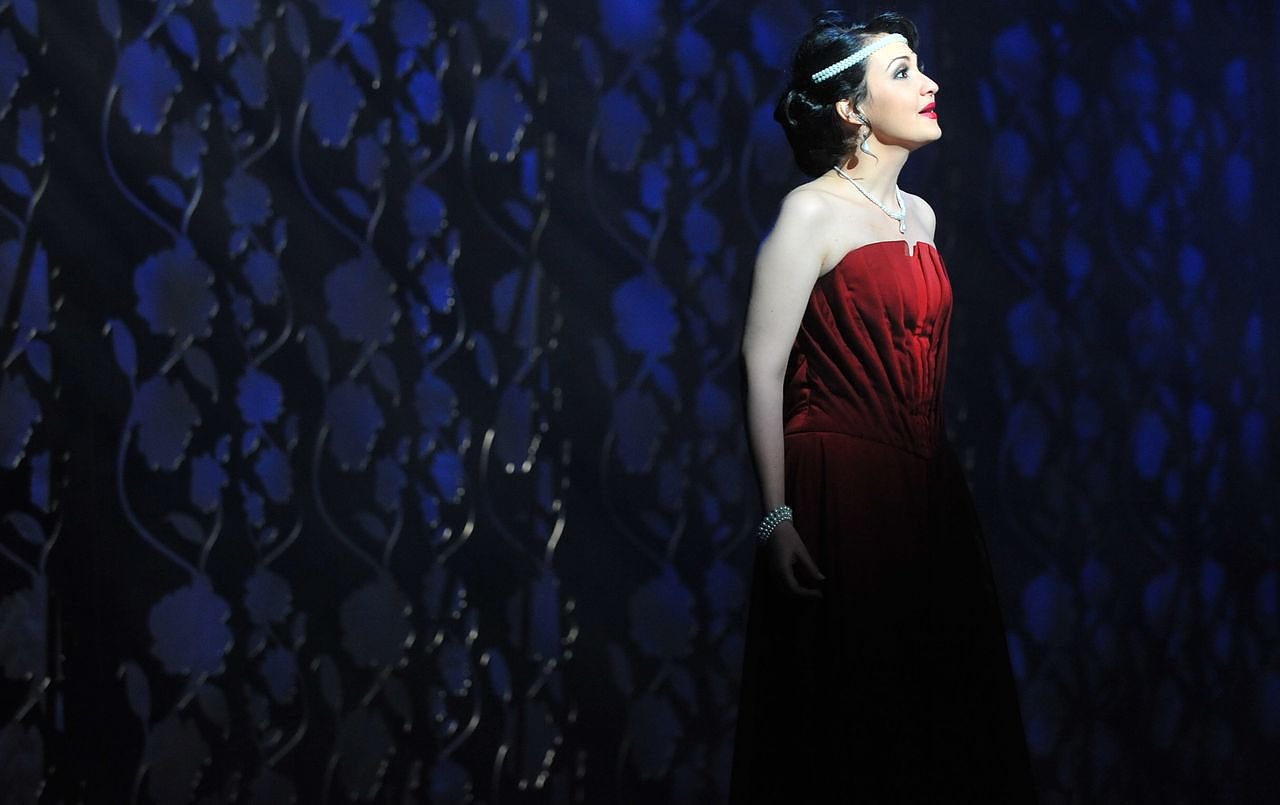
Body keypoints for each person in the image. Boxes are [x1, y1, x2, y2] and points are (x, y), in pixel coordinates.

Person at [730, 11, 1038, 803]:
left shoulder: (921, 216)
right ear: (851, 108)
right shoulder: (811, 212)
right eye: (902, 71)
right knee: (853, 712)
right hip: (841, 479)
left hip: (926, 485)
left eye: (919, 65)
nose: (929, 83)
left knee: (937, 717)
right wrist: (777, 517)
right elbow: (761, 365)